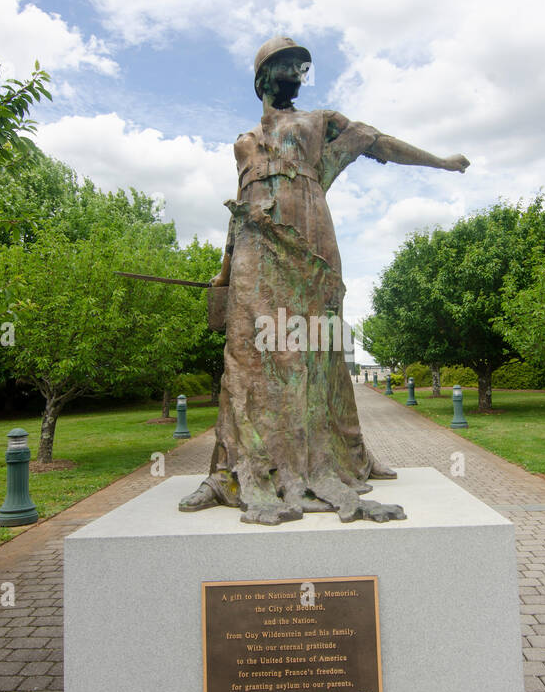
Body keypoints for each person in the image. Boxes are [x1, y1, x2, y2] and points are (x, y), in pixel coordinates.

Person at [179, 36, 468, 525]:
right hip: (255, 243)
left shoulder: (319, 121)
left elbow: (378, 142)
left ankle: (333, 455)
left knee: (315, 346)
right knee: (247, 351)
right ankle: (233, 468)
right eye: (285, 63)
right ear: (261, 78)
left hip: (309, 233)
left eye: (300, 65)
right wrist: (225, 272)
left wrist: (438, 161)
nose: (295, 71)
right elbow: (240, 205)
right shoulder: (243, 142)